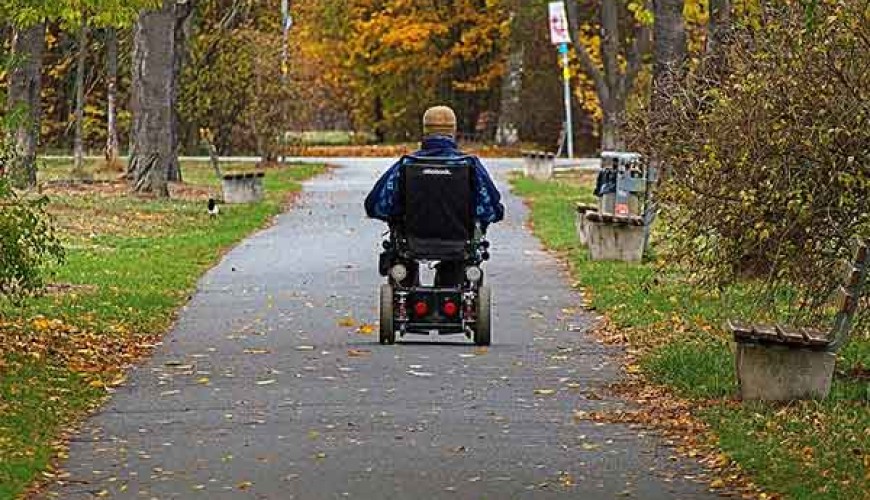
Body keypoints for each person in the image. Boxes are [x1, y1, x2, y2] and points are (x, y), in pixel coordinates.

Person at [365, 105, 505, 286]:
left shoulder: (406, 164)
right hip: (459, 242)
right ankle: (450, 284)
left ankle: (406, 291)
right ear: (453, 131)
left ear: (425, 131)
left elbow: (375, 204)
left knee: (399, 257)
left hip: (411, 242)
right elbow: (491, 208)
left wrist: (395, 214)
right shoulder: (469, 165)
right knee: (461, 262)